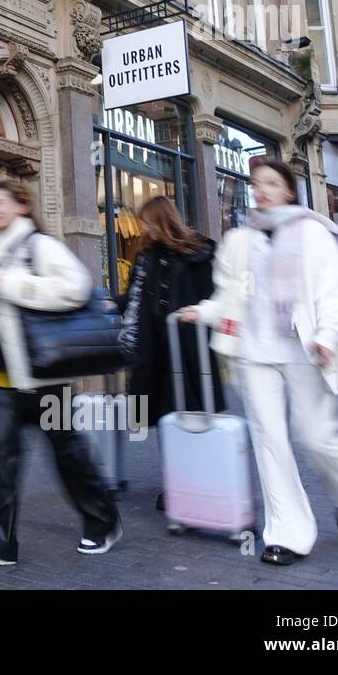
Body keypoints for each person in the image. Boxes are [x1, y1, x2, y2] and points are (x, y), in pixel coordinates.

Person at [178, 158, 338, 566]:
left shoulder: (312, 233)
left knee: (316, 439)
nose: (261, 189)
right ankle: (288, 534)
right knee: (270, 441)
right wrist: (205, 312)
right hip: (255, 351)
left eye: (271, 182)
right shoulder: (240, 239)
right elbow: (230, 295)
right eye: (256, 184)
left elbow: (331, 292)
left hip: (305, 350)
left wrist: (327, 336)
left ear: (288, 190)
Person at [0, 179, 122, 569]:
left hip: (46, 378)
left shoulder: (41, 246)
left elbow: (77, 288)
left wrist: (11, 285)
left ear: (22, 206)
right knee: (1, 461)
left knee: (69, 455)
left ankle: (103, 521)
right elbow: (4, 306)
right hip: (5, 377)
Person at [116, 197, 221, 512]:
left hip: (188, 349)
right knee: (165, 418)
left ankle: (195, 480)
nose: (144, 228)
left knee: (189, 414)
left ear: (163, 221)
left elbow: (212, 297)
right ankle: (175, 482)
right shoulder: (146, 257)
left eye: (149, 222)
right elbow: (136, 297)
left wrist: (198, 315)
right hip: (154, 351)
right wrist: (113, 304)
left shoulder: (196, 255)